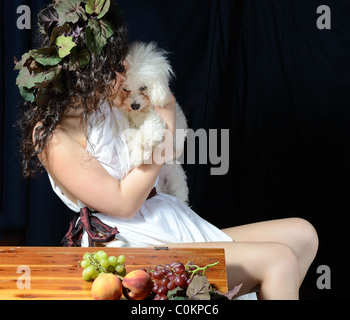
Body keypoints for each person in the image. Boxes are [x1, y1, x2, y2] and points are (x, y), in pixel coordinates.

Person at [16, 0, 318, 300]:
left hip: (166, 221)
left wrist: (167, 128)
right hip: (129, 244)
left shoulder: (109, 101)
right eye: (113, 65)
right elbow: (124, 204)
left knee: (302, 236)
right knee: (280, 260)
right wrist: (165, 136)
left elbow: (162, 129)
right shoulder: (54, 134)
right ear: (86, 71)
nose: (123, 71)